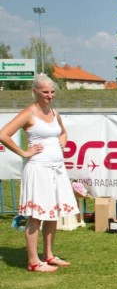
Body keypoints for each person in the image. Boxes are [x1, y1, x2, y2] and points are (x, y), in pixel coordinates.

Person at [0, 74, 79, 273]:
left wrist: (62, 141)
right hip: (38, 169)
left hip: (57, 169)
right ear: (34, 91)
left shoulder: (54, 112)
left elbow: (62, 132)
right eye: (45, 92)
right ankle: (33, 261)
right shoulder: (28, 113)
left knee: (52, 214)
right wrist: (24, 152)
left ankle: (49, 254)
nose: (49, 96)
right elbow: (3, 134)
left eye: (52, 92)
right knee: (36, 215)